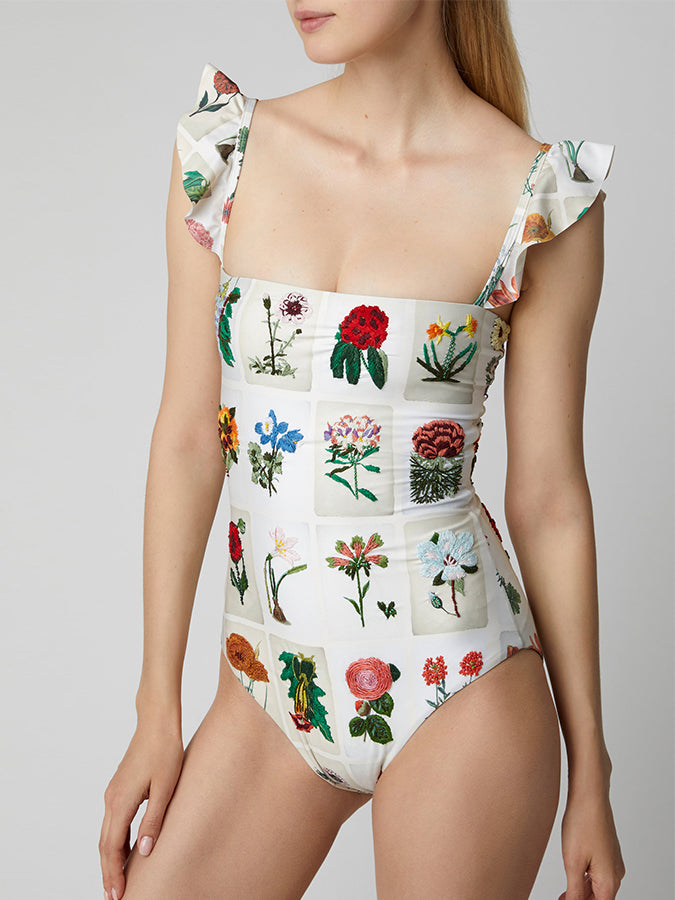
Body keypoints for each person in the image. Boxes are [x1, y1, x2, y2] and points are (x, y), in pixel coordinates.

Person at [99, 2, 626, 898]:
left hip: (459, 683)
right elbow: (187, 438)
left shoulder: (537, 196)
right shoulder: (224, 149)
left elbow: (547, 499)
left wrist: (590, 774)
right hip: (266, 689)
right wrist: (157, 707)